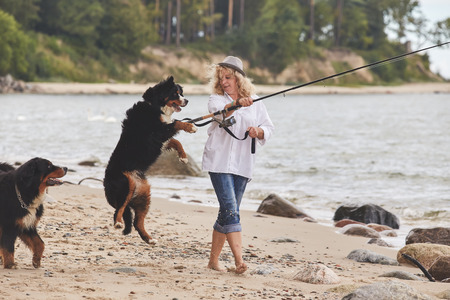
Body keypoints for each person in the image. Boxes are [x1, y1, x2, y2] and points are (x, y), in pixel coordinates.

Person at [202, 56, 274, 274]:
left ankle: (213, 261)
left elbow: (269, 127)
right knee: (232, 212)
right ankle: (239, 261)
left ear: (238, 79)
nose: (224, 82)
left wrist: (258, 131)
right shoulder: (215, 99)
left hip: (243, 164)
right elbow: (222, 113)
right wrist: (235, 104)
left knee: (227, 213)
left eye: (228, 77)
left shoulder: (256, 101)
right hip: (219, 162)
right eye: (221, 78)